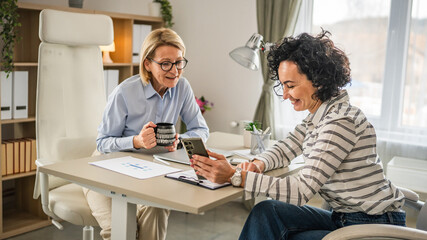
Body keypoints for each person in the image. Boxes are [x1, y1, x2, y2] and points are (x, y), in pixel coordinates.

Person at [191, 30, 405, 240]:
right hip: (346, 217)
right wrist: (259, 163)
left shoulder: (339, 123)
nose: (285, 95)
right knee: (267, 213)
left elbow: (301, 191)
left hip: (372, 224)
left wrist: (235, 176)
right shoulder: (321, 115)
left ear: (318, 80)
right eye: (283, 85)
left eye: (290, 86)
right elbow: (286, 147)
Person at [84, 28, 209, 240]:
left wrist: (180, 142)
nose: (175, 71)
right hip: (106, 170)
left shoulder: (182, 88)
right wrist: (137, 141)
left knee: (158, 209)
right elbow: (103, 142)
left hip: (148, 171)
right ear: (147, 64)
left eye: (179, 62)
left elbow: (201, 130)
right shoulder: (125, 92)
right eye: (165, 63)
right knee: (121, 230)